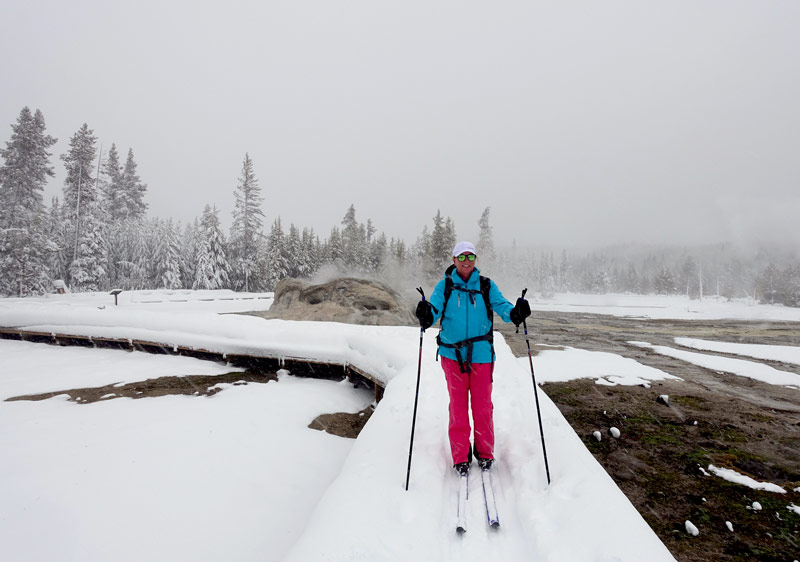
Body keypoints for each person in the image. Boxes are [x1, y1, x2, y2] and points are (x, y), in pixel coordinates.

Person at [415, 241, 531, 476]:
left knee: (483, 407)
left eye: (470, 257)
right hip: (452, 356)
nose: (466, 261)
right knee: (458, 408)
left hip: (481, 356)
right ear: (454, 259)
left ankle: (485, 454)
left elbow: (503, 307)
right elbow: (434, 309)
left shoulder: (487, 286)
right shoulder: (445, 286)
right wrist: (426, 314)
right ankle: (460, 457)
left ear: (475, 259)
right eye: (462, 257)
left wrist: (516, 312)